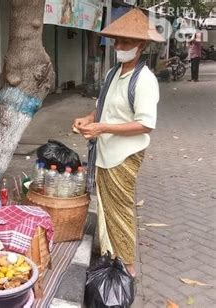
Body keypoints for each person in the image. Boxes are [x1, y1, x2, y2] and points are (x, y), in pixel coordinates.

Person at [72, 9, 164, 278]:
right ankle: (111, 255)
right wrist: (87, 119)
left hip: (124, 156)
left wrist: (102, 128)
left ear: (141, 45)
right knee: (106, 206)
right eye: (117, 41)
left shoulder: (145, 80)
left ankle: (128, 268)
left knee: (120, 210)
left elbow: (146, 124)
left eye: (125, 42)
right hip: (105, 151)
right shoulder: (113, 73)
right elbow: (101, 109)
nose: (119, 47)